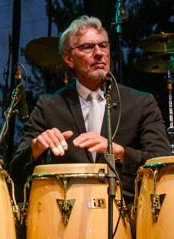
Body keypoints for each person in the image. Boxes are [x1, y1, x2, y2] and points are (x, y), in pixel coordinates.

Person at [9, 15, 171, 202]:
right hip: (66, 215)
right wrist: (35, 149)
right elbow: (16, 175)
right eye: (87, 47)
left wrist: (118, 152)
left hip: (128, 214)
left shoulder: (141, 102)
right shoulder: (50, 105)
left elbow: (163, 163)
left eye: (103, 45)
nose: (99, 53)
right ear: (69, 59)